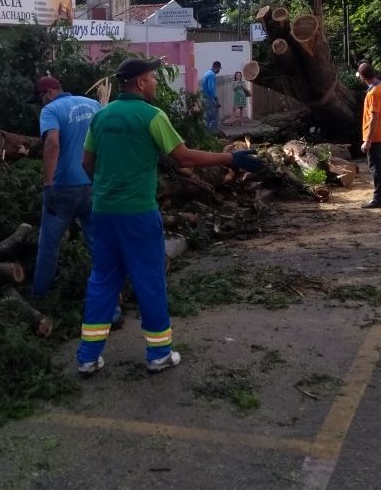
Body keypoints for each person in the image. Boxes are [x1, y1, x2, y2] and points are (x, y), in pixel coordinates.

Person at [76, 58, 264, 376]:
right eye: (151, 78)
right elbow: (184, 157)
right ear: (138, 83)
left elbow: (86, 164)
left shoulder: (102, 116)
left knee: (103, 280)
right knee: (150, 281)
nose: (154, 83)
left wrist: (111, 184)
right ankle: (159, 354)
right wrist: (232, 158)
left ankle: (87, 357)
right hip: (137, 214)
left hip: (104, 212)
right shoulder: (152, 116)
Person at [28, 76, 101, 299]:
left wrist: (48, 185)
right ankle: (110, 305)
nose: (41, 104)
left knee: (49, 246)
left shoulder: (51, 110)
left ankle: (40, 300)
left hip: (63, 188)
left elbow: (52, 143)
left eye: (41, 99)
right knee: (98, 247)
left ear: (48, 92)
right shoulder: (94, 105)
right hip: (92, 186)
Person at [356, 61, 381, 209]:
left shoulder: (373, 93)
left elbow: (374, 117)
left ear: (362, 77)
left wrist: (368, 140)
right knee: (380, 166)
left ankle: (378, 199)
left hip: (375, 136)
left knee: (376, 167)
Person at [201, 61, 222, 132]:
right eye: (219, 69)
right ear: (217, 67)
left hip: (204, 97)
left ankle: (206, 135)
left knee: (207, 117)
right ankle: (213, 135)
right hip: (210, 98)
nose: (219, 70)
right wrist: (216, 99)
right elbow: (211, 88)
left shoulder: (206, 73)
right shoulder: (212, 75)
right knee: (213, 118)